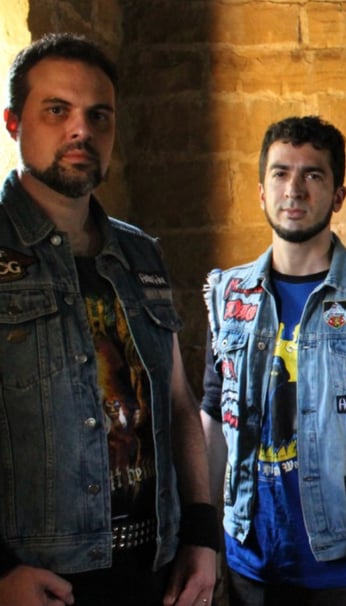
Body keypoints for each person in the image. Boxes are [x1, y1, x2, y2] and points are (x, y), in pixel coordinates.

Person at [0, 33, 217, 606]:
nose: (81, 130)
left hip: (153, 571)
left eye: (99, 115)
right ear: (12, 123)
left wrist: (201, 534)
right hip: (41, 578)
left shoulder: (139, 254)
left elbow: (176, 401)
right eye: (57, 110)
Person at [201, 115, 346, 606]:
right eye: (281, 173)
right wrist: (203, 539)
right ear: (261, 192)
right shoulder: (227, 295)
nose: (295, 189)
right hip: (248, 564)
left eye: (313, 175)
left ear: (338, 196)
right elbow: (214, 416)